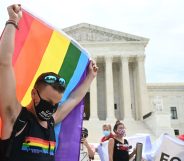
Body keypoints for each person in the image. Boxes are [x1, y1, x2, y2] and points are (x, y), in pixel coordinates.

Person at [0, 4, 98, 161]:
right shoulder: (15, 118)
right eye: (48, 101)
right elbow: (4, 64)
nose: (52, 108)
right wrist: (12, 21)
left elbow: (73, 99)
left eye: (56, 103)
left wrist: (90, 77)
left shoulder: (51, 122)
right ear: (34, 93)